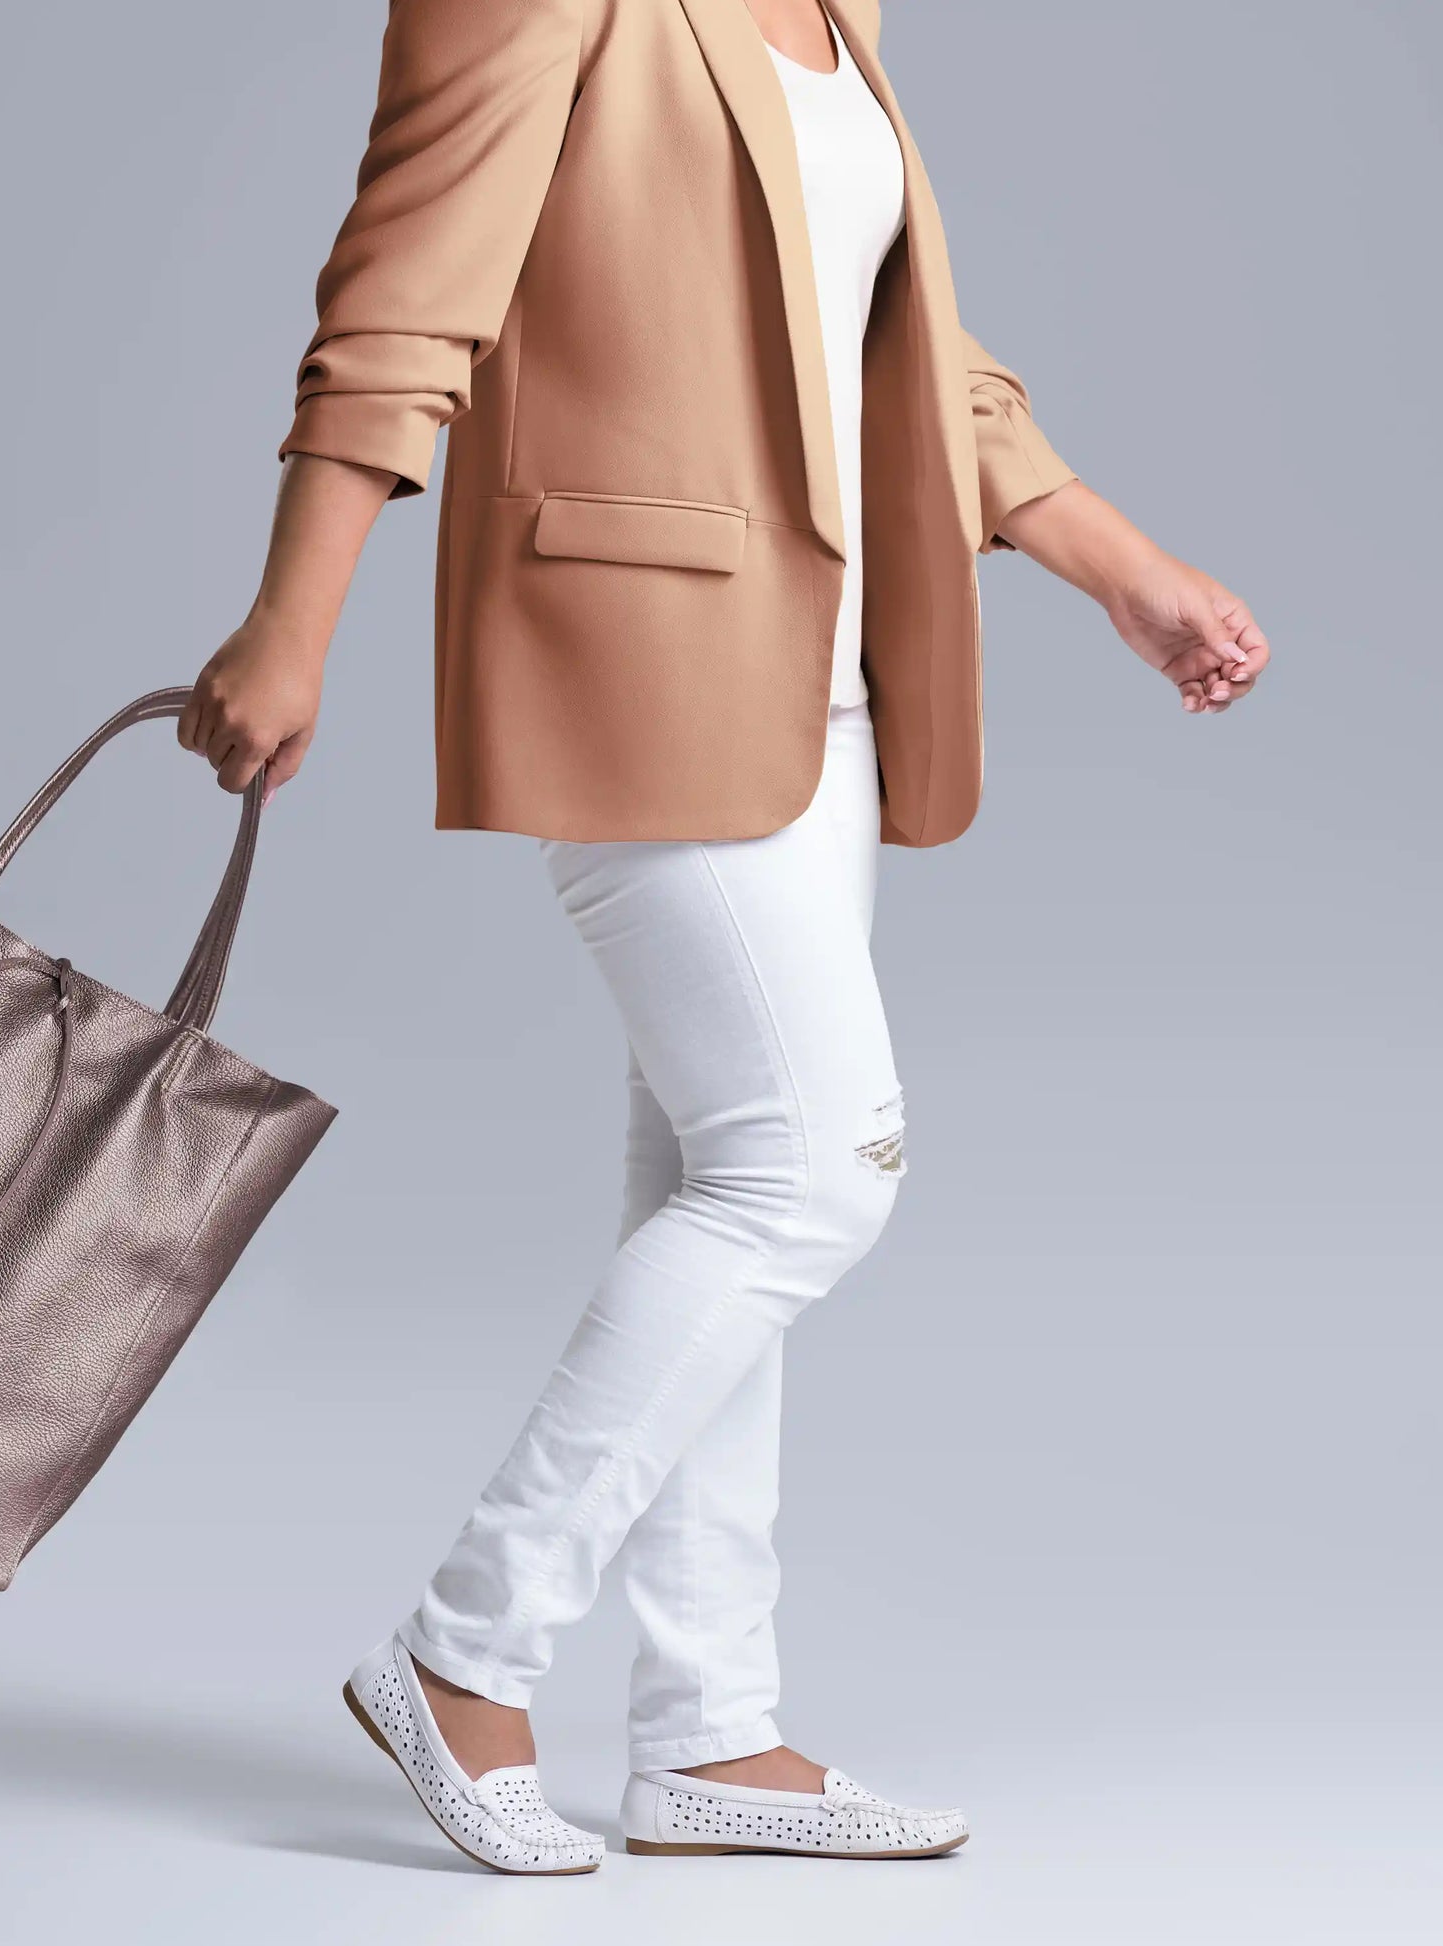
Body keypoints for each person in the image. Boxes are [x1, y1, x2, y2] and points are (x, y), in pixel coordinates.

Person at [179, 0, 1269, 1875]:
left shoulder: (835, 13)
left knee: (712, 1179)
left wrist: (1123, 570)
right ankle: (463, 1649)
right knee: (811, 1171)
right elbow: (402, 300)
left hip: (820, 692)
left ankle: (705, 1727)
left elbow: (905, 351)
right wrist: (293, 620)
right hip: (633, 651)